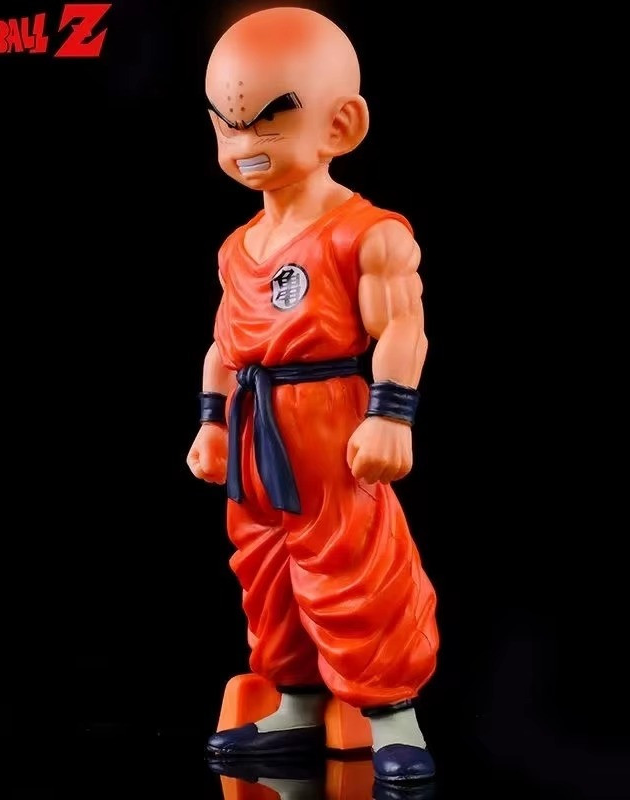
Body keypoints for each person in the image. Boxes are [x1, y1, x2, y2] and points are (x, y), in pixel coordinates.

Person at [186, 7, 439, 786]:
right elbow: (225, 348)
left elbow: (402, 328)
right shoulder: (237, 249)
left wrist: (390, 415)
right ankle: (296, 704)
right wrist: (212, 422)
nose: (244, 144)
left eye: (268, 120)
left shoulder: (368, 233)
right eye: (226, 125)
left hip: (330, 421)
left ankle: (394, 716)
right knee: (265, 568)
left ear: (341, 125)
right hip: (256, 431)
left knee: (354, 564)